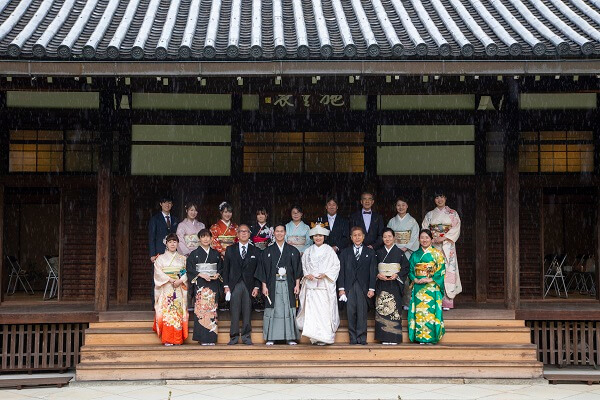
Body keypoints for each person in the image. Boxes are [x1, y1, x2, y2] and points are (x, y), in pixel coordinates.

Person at [255, 224, 301, 345]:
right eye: (277, 231)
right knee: (273, 310)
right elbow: (263, 270)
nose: (279, 233)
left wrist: (297, 285)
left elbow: (297, 269)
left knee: (287, 309)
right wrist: (264, 286)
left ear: (285, 233)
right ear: (273, 233)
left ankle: (290, 337)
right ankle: (271, 336)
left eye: (282, 231)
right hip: (272, 284)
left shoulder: (293, 251)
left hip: (288, 284)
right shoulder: (267, 251)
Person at [296, 223, 340, 345]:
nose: (318, 238)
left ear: (324, 237)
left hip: (324, 286)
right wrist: (307, 274)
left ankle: (325, 336)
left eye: (320, 235)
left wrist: (326, 274)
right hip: (311, 286)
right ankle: (314, 337)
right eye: (315, 236)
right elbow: (304, 265)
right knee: (313, 313)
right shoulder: (308, 251)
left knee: (324, 312)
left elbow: (336, 266)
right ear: (312, 237)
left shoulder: (330, 251)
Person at [422, 190, 461, 310]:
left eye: (441, 197)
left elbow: (456, 228)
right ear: (434, 200)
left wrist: (443, 238)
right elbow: (424, 228)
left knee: (448, 271)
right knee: (433, 269)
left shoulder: (452, 213)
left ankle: (447, 301)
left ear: (445, 198)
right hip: (433, 244)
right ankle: (433, 298)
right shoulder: (429, 214)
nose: (439, 200)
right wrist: (431, 238)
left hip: (447, 246)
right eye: (437, 197)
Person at [338, 226, 376, 345]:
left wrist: (371, 288)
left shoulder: (370, 252)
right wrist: (341, 289)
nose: (357, 237)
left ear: (363, 237)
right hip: (349, 287)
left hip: (363, 287)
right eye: (355, 235)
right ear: (351, 237)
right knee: (351, 312)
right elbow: (341, 271)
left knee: (362, 312)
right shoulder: (345, 252)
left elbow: (373, 271)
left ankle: (362, 337)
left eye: (359, 235)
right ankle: (353, 338)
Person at [223, 224, 260, 345]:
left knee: (247, 311)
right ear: (237, 234)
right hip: (234, 284)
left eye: (246, 231)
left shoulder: (256, 250)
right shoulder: (230, 249)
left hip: (249, 285)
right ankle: (233, 337)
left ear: (249, 234)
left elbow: (258, 270)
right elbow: (225, 269)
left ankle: (246, 337)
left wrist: (256, 286)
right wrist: (226, 285)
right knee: (234, 311)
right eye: (241, 231)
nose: (244, 233)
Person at [408, 229, 446, 344]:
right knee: (419, 312)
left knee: (430, 312)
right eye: (422, 238)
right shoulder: (415, 255)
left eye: (427, 238)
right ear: (419, 239)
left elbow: (441, 271)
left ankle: (431, 337)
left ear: (431, 239)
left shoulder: (437, 254)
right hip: (419, 287)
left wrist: (429, 279)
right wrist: (414, 279)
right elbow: (410, 270)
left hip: (432, 288)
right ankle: (420, 337)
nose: (424, 240)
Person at [186, 229, 222, 345]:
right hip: (200, 285)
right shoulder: (194, 254)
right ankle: (202, 338)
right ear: (199, 239)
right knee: (201, 311)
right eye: (203, 237)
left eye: (208, 237)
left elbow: (221, 268)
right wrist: (200, 274)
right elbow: (190, 269)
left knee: (212, 310)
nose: (206, 239)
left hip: (213, 285)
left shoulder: (216, 254)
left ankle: (211, 338)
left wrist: (218, 274)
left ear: (211, 239)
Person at [375, 228, 410, 345]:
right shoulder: (378, 252)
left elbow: (406, 267)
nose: (387, 239)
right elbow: (373, 267)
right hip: (382, 284)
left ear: (394, 238)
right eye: (385, 237)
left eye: (390, 236)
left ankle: (394, 338)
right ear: (382, 238)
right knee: (382, 309)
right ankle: (384, 337)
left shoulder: (399, 252)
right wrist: (377, 274)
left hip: (394, 284)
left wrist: (397, 275)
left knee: (394, 310)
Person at [153, 233, 188, 345]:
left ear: (178, 243)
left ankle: (177, 339)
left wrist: (180, 280)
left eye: (174, 242)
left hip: (178, 288)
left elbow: (186, 273)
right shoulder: (160, 259)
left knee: (177, 312)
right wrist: (170, 280)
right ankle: (167, 338)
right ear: (166, 244)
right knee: (167, 312)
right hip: (166, 287)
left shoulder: (182, 259)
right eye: (170, 242)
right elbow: (158, 272)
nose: (172, 244)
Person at [386, 197, 420, 309]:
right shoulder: (391, 221)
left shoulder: (412, 221)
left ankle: (407, 301)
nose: (401, 207)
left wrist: (406, 247)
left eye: (403, 205)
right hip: (395, 251)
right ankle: (395, 300)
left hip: (408, 252)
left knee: (407, 276)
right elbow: (388, 236)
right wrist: (394, 248)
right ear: (396, 207)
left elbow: (415, 236)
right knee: (393, 275)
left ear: (407, 206)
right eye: (398, 205)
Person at [148, 196, 178, 306]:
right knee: (158, 277)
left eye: (169, 202)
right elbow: (152, 237)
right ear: (161, 204)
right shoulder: (155, 219)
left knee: (172, 276)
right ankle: (155, 303)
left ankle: (170, 303)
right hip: (159, 253)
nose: (167, 205)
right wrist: (152, 254)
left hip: (173, 252)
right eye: (165, 202)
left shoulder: (175, 219)